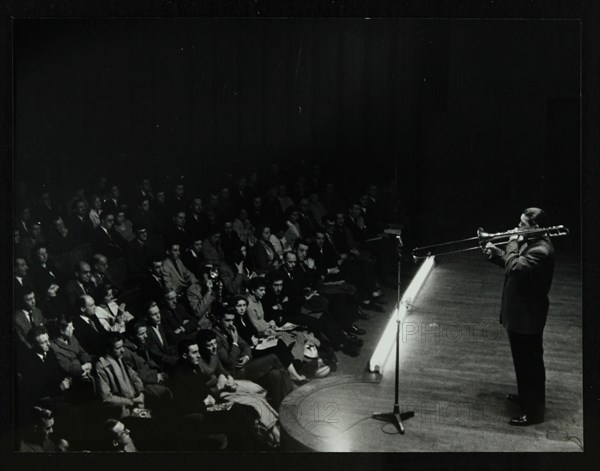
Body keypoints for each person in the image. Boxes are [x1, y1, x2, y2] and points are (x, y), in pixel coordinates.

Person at [483, 207, 555, 426]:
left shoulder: (541, 250)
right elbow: (513, 265)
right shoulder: (532, 242)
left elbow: (515, 265)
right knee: (522, 361)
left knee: (530, 363)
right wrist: (496, 255)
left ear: (537, 227)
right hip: (520, 313)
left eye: (523, 225)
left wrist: (512, 242)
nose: (517, 228)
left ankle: (533, 413)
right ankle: (526, 397)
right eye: (520, 223)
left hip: (528, 316)